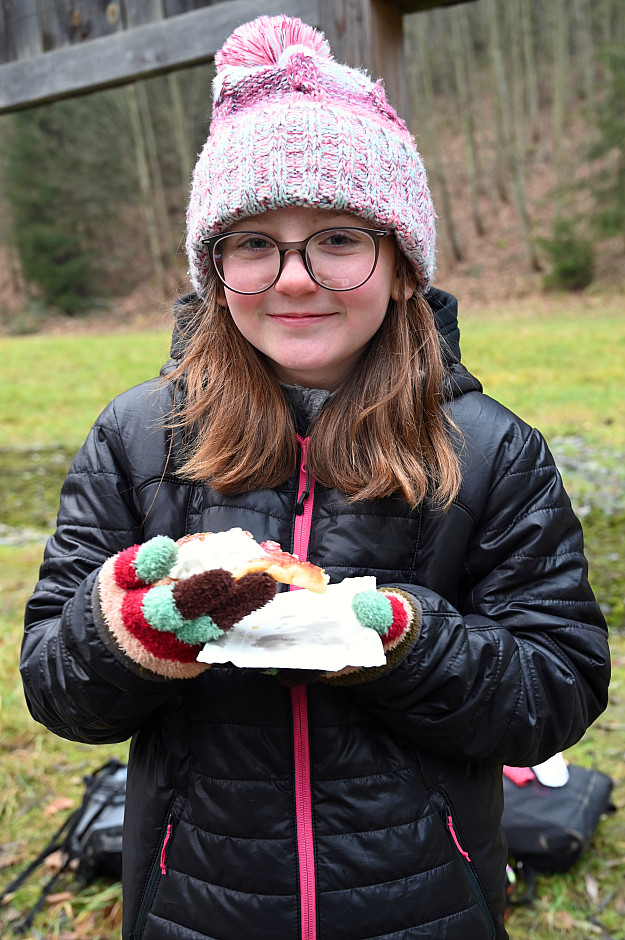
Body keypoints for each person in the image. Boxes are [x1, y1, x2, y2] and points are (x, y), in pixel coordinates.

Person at [21, 15, 610, 940]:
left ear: (404, 266)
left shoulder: (491, 452)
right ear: (213, 274)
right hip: (193, 907)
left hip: (426, 909)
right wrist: (133, 630)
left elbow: (556, 692)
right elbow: (57, 689)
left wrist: (405, 641)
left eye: (338, 239)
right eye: (252, 243)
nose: (294, 278)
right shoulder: (138, 439)